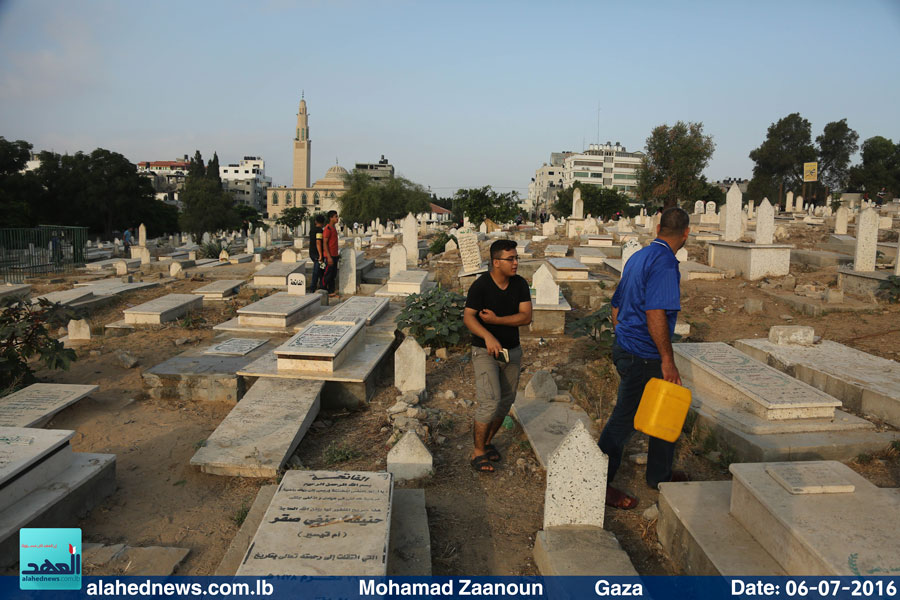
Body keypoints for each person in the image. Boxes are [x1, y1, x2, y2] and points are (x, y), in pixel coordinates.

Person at [599, 206, 691, 509]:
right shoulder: (665, 263)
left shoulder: (638, 257)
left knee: (665, 408)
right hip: (644, 354)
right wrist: (667, 358)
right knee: (624, 421)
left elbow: (616, 305)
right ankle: (599, 484)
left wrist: (622, 336)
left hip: (630, 345)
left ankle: (659, 474)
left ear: (657, 228)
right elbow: (656, 314)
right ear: (687, 233)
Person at [463, 240, 532, 473]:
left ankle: (488, 442)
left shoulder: (519, 284)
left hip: (511, 351)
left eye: (516, 258)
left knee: (505, 402)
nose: (515, 263)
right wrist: (488, 336)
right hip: (484, 351)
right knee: (490, 401)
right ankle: (478, 452)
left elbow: (525, 317)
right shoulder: (481, 286)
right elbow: (469, 318)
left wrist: (497, 321)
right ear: (496, 262)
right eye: (510, 259)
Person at [321, 210, 340, 296]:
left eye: (337, 216)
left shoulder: (334, 228)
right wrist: (328, 257)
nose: (337, 218)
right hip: (330, 255)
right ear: (330, 218)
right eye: (335, 216)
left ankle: (331, 291)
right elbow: (324, 243)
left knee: (333, 275)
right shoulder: (327, 229)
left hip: (335, 255)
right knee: (328, 274)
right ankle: (322, 290)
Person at [309, 214, 326, 291]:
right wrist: (320, 255)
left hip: (312, 252)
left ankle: (321, 285)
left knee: (320, 270)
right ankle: (313, 287)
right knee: (316, 271)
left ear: (315, 221)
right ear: (323, 223)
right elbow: (318, 242)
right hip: (317, 253)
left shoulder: (312, 230)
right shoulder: (319, 231)